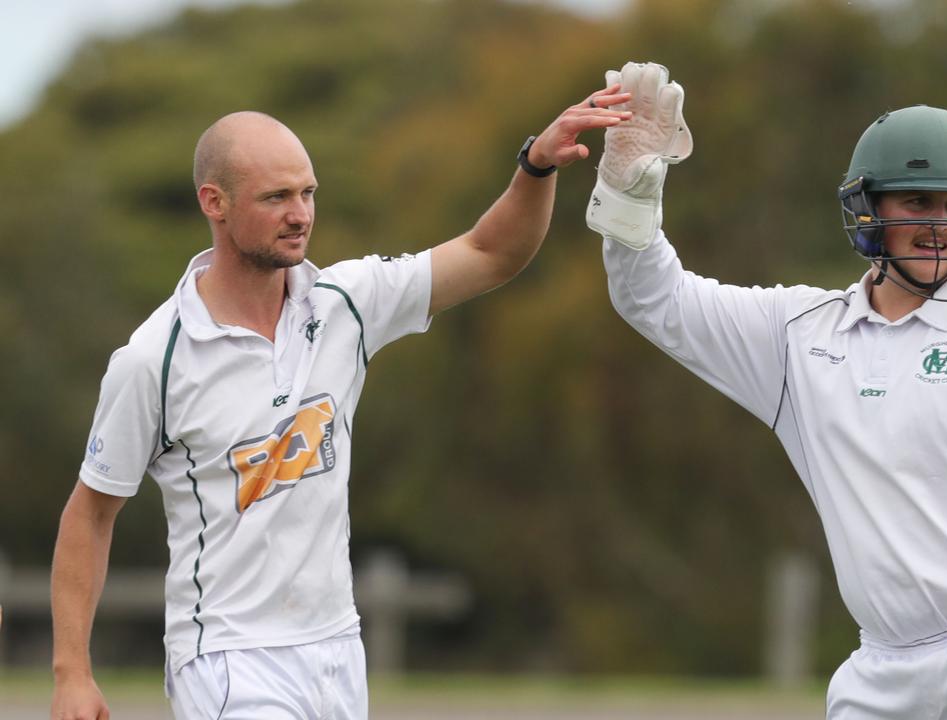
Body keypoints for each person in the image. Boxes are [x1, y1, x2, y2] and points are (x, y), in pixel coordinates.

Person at [51, 84, 632, 720]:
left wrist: (537, 165)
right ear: (213, 203)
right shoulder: (152, 359)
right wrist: (72, 673)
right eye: (276, 197)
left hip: (336, 651)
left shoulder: (345, 304)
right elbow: (90, 515)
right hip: (228, 660)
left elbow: (491, 252)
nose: (300, 213)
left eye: (307, 192)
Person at [586, 62, 947, 720]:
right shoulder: (797, 335)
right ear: (867, 208)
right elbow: (653, 300)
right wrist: (629, 194)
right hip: (880, 677)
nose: (941, 224)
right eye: (918, 202)